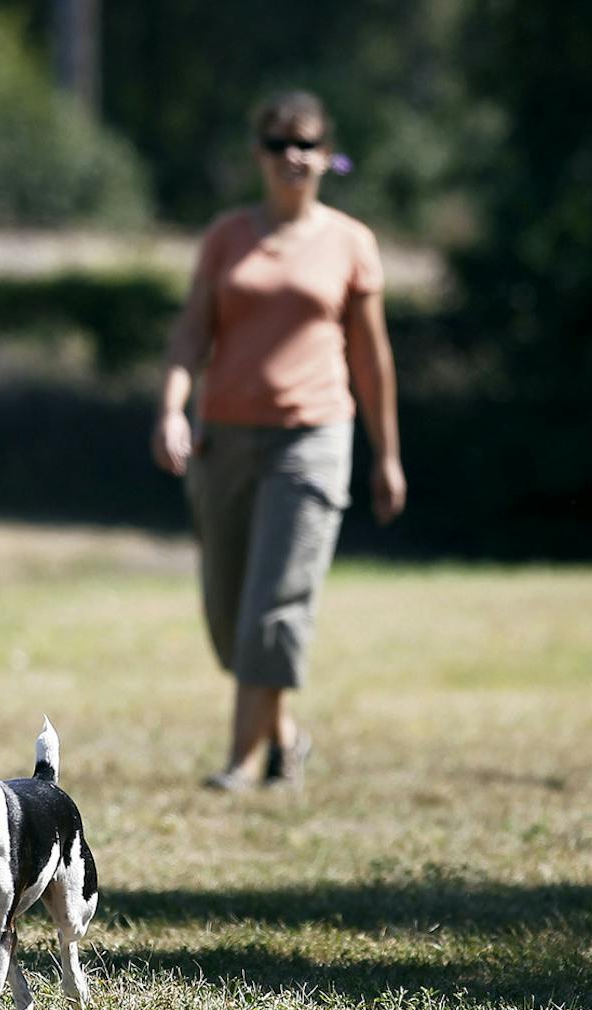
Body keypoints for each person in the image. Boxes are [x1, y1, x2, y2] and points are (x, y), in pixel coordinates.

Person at [152, 90, 406, 792]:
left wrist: (387, 455)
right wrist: (173, 410)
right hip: (225, 440)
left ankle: (242, 763)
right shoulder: (228, 237)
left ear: (328, 155)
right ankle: (287, 739)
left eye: (306, 143)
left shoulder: (351, 242)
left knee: (274, 604)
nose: (292, 156)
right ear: (258, 155)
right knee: (230, 616)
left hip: (313, 440)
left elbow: (372, 359)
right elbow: (190, 335)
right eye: (277, 143)